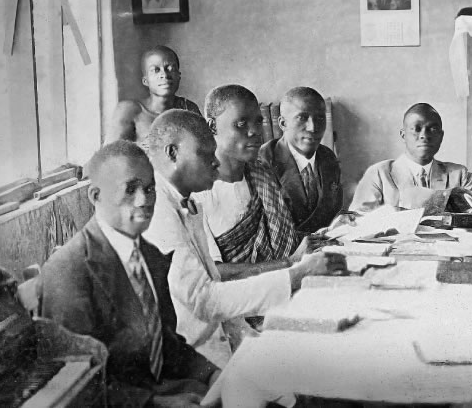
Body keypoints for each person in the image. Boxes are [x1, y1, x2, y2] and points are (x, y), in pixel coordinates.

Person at [143, 110, 344, 368]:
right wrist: (296, 274)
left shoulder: (186, 201)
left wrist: (256, 341)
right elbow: (206, 301)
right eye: (205, 153)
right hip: (196, 359)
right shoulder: (157, 210)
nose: (215, 162)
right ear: (173, 153)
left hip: (225, 338)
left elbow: (215, 292)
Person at [41, 140, 218, 407]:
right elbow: (80, 385)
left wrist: (212, 373)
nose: (144, 200)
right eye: (130, 189)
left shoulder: (148, 254)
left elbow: (166, 343)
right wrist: (158, 404)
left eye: (149, 189)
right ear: (96, 196)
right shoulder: (69, 271)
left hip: (167, 388)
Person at [197, 84, 301, 272]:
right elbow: (213, 271)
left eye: (258, 122)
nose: (255, 132)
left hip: (280, 283)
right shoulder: (198, 192)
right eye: (241, 124)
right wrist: (290, 263)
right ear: (212, 126)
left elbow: (280, 237)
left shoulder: (261, 174)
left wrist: (329, 234)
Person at [350, 103, 472, 213]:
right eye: (416, 129)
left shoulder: (459, 174)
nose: (424, 135)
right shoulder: (379, 174)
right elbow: (358, 222)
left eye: (432, 129)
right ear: (403, 135)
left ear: (441, 136)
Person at [258, 87, 343, 234]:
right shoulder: (263, 161)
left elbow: (331, 212)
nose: (313, 127)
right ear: (283, 124)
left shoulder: (328, 157)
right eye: (302, 118)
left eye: (320, 118)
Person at [108, 45, 200, 143]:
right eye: (155, 70)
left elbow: (206, 150)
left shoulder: (188, 108)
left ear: (179, 76)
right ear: (145, 81)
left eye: (170, 69)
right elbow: (110, 154)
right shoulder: (130, 110)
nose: (164, 75)